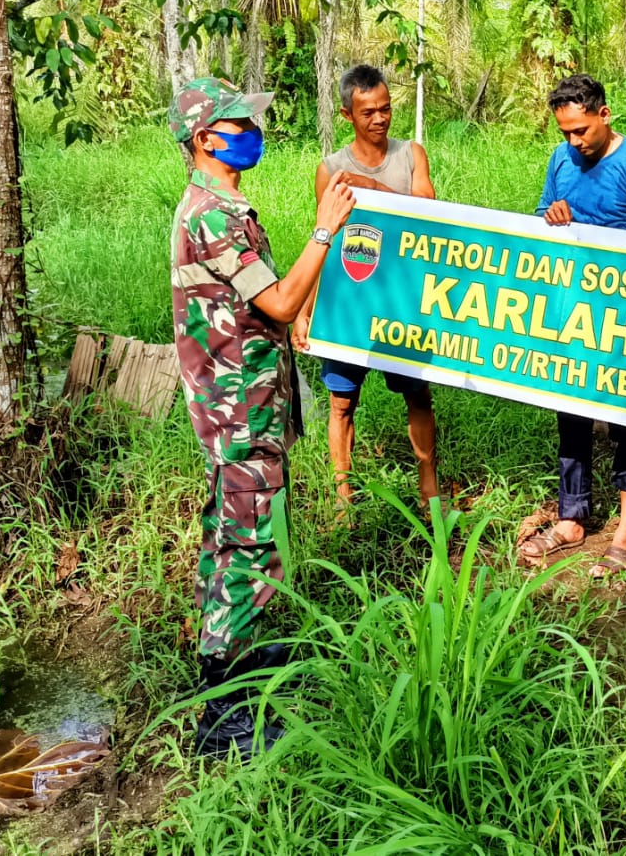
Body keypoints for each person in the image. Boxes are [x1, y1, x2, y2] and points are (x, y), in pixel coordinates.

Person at [169, 77, 356, 756]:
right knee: (247, 547)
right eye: (239, 122)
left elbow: (263, 306)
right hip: (236, 408)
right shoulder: (211, 214)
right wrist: (324, 230)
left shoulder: (224, 205)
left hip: (244, 400)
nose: (253, 130)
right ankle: (226, 714)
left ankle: (233, 671)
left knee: (232, 540)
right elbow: (274, 302)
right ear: (204, 138)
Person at [516, 73, 626, 579]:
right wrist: (551, 214)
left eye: (582, 130)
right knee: (571, 414)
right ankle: (572, 518)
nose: (574, 142)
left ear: (605, 116)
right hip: (572, 312)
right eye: (565, 132)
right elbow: (543, 214)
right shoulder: (561, 160)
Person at [293, 65, 441, 510]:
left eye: (386, 108)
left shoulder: (411, 155)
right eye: (368, 112)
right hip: (347, 304)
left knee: (417, 393)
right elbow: (324, 239)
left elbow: (430, 215)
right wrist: (305, 310)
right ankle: (343, 497)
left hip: (403, 301)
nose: (380, 119)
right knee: (341, 402)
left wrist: (374, 189)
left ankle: (429, 488)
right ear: (347, 115)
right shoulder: (332, 169)